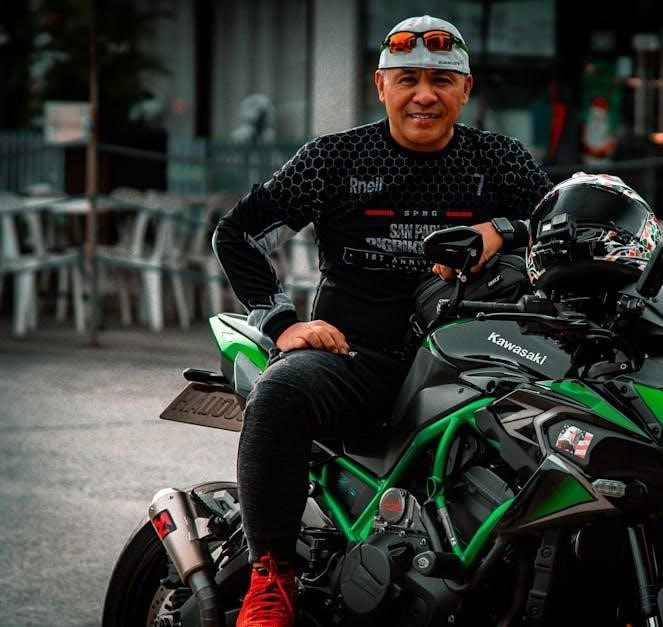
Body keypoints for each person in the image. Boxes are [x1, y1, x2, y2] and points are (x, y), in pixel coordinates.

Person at [212, 14, 553, 627]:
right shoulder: (334, 158)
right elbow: (237, 234)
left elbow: (562, 228)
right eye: (408, 79)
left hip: (476, 363)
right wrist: (280, 322)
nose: (424, 95)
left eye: (440, 81)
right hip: (357, 359)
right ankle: (271, 578)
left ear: (465, 89)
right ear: (381, 86)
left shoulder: (499, 159)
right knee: (281, 392)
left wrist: (504, 229)